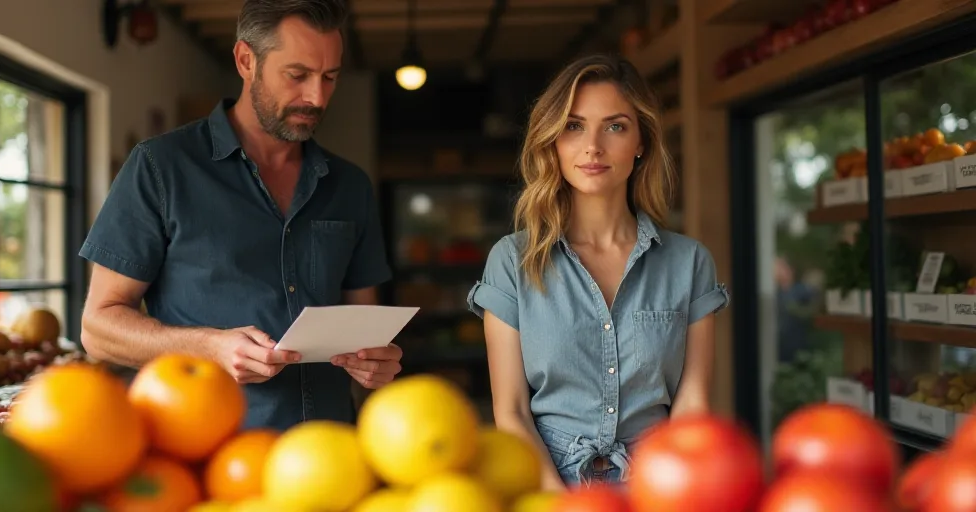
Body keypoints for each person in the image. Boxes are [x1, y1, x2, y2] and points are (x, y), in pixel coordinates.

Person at [78, 0, 403, 431]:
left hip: (330, 456)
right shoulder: (160, 168)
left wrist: (377, 364)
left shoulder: (351, 186)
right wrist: (206, 347)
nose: (317, 97)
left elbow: (367, 329)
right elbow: (98, 329)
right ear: (246, 60)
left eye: (330, 77)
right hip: (206, 457)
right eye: (297, 75)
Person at [466, 54, 729, 489]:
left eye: (615, 126)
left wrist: (666, 490)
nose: (593, 145)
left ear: (641, 140)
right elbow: (511, 411)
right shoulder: (512, 261)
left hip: (660, 480)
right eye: (573, 126)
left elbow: (693, 404)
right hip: (545, 482)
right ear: (552, 140)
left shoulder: (689, 262)